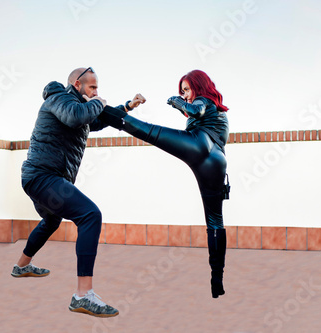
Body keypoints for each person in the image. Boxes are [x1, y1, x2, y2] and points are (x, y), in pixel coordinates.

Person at [13, 67, 145, 317]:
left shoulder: (79, 107)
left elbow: (96, 121)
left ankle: (21, 266)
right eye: (92, 87)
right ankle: (83, 296)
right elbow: (77, 116)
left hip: (43, 178)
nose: (96, 92)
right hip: (43, 176)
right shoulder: (59, 99)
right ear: (77, 84)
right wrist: (98, 102)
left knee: (51, 221)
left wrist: (128, 106)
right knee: (90, 215)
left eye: (97, 88)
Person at [98, 69, 230, 298]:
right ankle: (217, 278)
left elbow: (194, 110)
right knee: (215, 221)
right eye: (183, 92)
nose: (186, 95)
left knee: (149, 132)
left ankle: (96, 107)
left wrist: (177, 101)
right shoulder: (219, 110)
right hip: (217, 162)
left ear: (199, 86)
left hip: (199, 144)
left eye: (187, 89)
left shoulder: (204, 101)